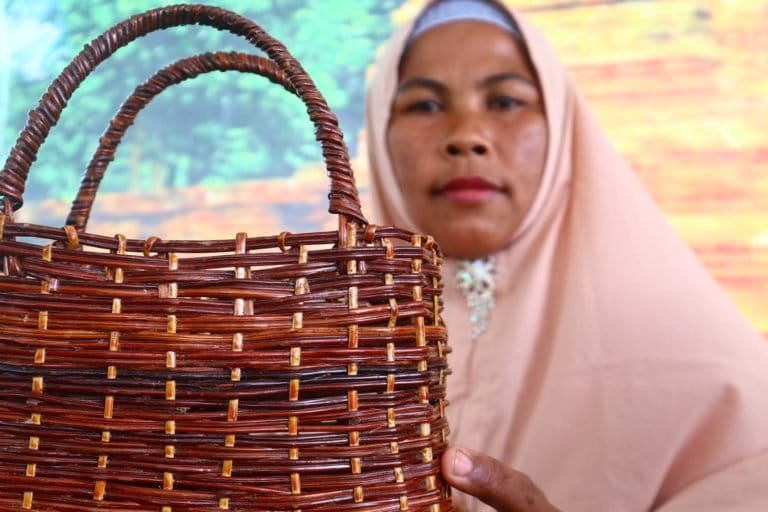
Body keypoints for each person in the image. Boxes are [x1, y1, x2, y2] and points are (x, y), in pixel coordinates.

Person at [364, 1, 768, 510]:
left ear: (562, 129)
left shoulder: (720, 382)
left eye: (507, 101)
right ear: (380, 132)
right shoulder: (315, 346)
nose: (466, 136)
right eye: (423, 105)